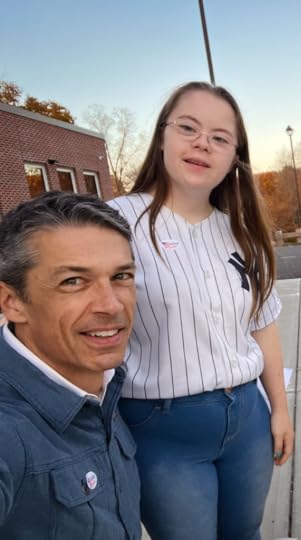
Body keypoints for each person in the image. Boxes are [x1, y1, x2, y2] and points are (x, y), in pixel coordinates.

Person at [109, 81, 294, 540]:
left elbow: (262, 324)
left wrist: (280, 409)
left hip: (247, 418)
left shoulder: (241, 232)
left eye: (219, 137)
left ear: (235, 157)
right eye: (188, 128)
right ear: (162, 136)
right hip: (163, 429)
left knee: (245, 533)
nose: (201, 144)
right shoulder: (117, 222)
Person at [0, 191, 141, 540]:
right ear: (11, 302)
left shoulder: (103, 381)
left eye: (121, 276)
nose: (111, 305)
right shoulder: (9, 431)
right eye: (73, 281)